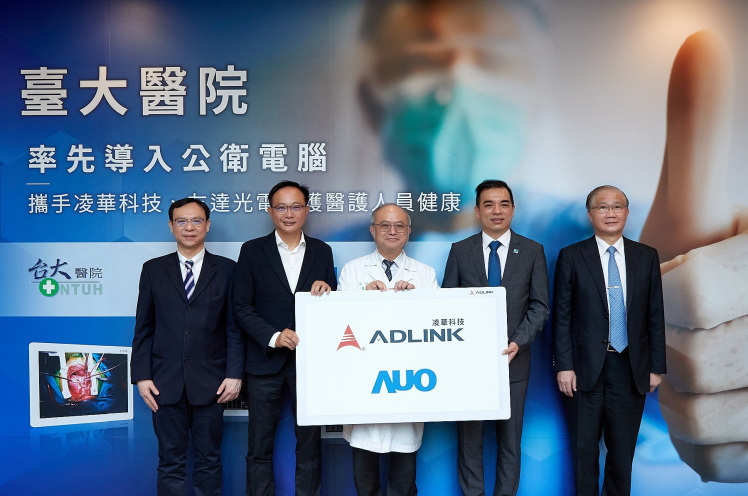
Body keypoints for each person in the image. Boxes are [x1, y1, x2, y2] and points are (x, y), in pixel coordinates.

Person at [553, 185, 666, 496]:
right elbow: (561, 316)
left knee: (621, 455)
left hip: (631, 369)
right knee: (584, 454)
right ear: (590, 215)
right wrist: (564, 366)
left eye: (617, 206)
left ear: (627, 213)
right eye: (602, 207)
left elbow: (655, 314)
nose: (611, 213)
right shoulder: (572, 256)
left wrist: (655, 366)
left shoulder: (646, 256)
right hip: (583, 369)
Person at [442, 180, 550, 496]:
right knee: (469, 442)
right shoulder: (460, 251)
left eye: (503, 204)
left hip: (514, 362)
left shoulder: (532, 250)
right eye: (488, 204)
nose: (497, 211)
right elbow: (448, 305)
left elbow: (540, 306)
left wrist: (518, 342)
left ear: (513, 209)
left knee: (510, 442)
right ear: (477, 211)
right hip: (469, 366)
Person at [131, 198, 244, 496]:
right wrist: (142, 376)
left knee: (209, 461)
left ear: (208, 225)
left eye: (196, 221)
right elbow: (144, 326)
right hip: (164, 382)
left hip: (212, 381)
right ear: (171, 226)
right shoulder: (153, 269)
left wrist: (235, 374)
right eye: (181, 221)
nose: (189, 227)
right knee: (170, 462)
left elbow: (234, 328)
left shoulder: (228, 270)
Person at [232, 180, 337, 496]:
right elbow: (241, 306)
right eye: (281, 207)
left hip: (309, 363)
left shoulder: (322, 251)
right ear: (270, 211)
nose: (288, 213)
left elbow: (333, 308)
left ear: (306, 210)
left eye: (295, 207)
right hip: (264, 363)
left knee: (310, 445)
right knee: (259, 446)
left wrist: (328, 291)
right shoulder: (252, 250)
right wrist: (273, 336)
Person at [338, 203, 439, 496]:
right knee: (364, 478)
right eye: (384, 225)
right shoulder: (352, 270)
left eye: (399, 226)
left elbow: (436, 329)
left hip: (407, 382)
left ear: (409, 231)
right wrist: (362, 298)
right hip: (365, 384)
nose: (392, 231)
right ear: (373, 230)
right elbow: (340, 327)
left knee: (404, 479)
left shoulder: (424, 274)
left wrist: (415, 301)